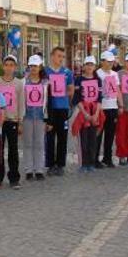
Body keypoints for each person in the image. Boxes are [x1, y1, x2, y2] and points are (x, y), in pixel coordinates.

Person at [45, 47, 74, 176]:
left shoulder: (67, 72)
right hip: (50, 110)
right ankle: (50, 164)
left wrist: (62, 94)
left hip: (63, 109)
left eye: (63, 56)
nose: (61, 59)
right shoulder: (45, 72)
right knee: (50, 137)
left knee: (62, 138)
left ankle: (60, 164)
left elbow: (71, 90)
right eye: (58, 56)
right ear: (52, 56)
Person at [0, 55, 24, 189]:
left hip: (12, 120)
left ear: (15, 67)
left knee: (13, 150)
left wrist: (20, 122)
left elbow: (21, 103)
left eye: (11, 65)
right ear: (3, 66)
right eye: (6, 65)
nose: (8, 67)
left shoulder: (19, 84)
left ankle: (14, 177)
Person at [73, 56, 103, 172]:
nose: (89, 67)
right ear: (84, 66)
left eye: (92, 65)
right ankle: (83, 163)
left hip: (94, 111)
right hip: (83, 112)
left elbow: (100, 98)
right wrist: (84, 112)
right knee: (83, 140)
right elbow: (77, 98)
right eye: (87, 64)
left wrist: (96, 114)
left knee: (93, 139)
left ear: (94, 67)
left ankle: (91, 162)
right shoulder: (79, 80)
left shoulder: (98, 80)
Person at [22, 55, 48, 180]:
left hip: (40, 116)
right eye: (31, 66)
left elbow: (48, 102)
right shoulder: (24, 81)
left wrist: (48, 119)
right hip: (27, 116)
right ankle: (28, 169)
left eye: (35, 66)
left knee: (39, 143)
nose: (33, 68)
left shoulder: (45, 82)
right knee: (27, 143)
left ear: (40, 67)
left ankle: (39, 169)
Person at [96, 51, 123, 168]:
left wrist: (120, 105)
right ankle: (94, 158)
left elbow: (117, 89)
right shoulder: (97, 73)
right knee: (98, 134)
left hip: (113, 107)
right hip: (101, 108)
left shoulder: (114, 74)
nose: (110, 63)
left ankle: (108, 157)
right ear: (102, 61)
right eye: (108, 61)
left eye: (112, 61)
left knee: (110, 134)